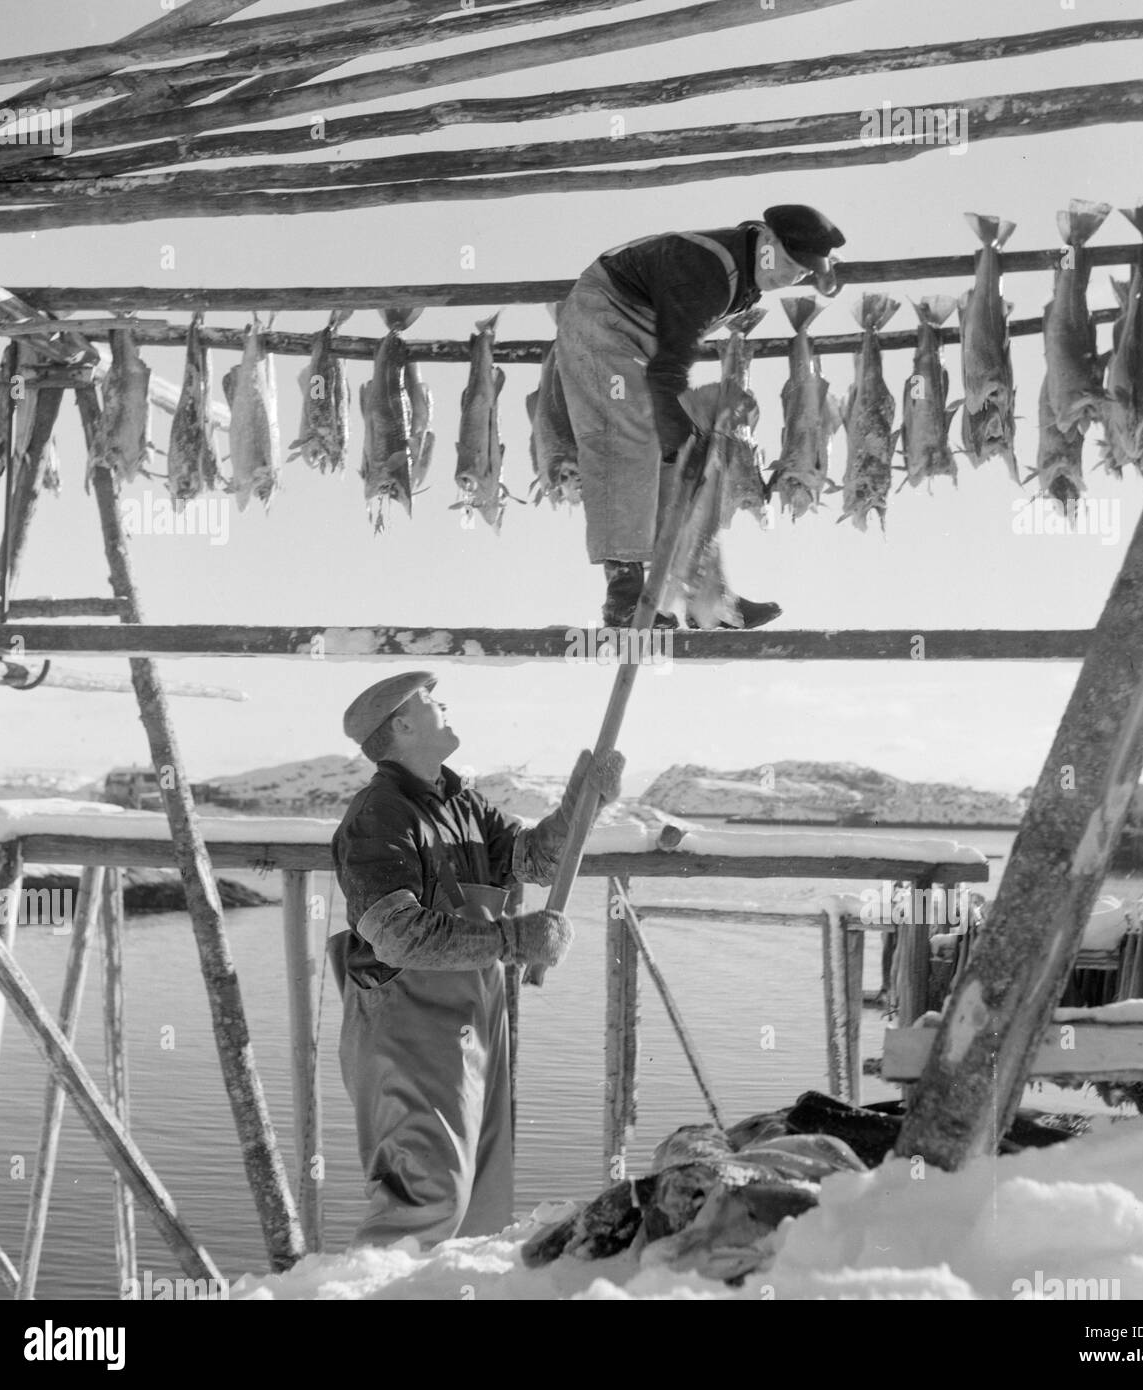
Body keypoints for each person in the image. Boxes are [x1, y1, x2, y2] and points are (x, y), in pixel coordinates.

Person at [329, 671, 623, 1248]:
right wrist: (514, 942)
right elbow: (396, 935)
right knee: (423, 1199)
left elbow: (534, 861)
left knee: (477, 1204)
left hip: (471, 1022)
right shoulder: (378, 816)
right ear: (404, 725)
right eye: (432, 701)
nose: (446, 704)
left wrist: (584, 804)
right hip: (404, 1032)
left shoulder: (462, 802)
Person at [547, 204, 845, 628]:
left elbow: (816, 269)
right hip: (602, 319)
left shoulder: (749, 259)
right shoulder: (704, 271)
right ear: (766, 240)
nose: (791, 278)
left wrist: (826, 277)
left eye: (803, 273)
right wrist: (676, 428)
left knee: (690, 461)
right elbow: (669, 367)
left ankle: (708, 596)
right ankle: (626, 597)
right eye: (790, 264)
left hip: (644, 331)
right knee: (629, 438)